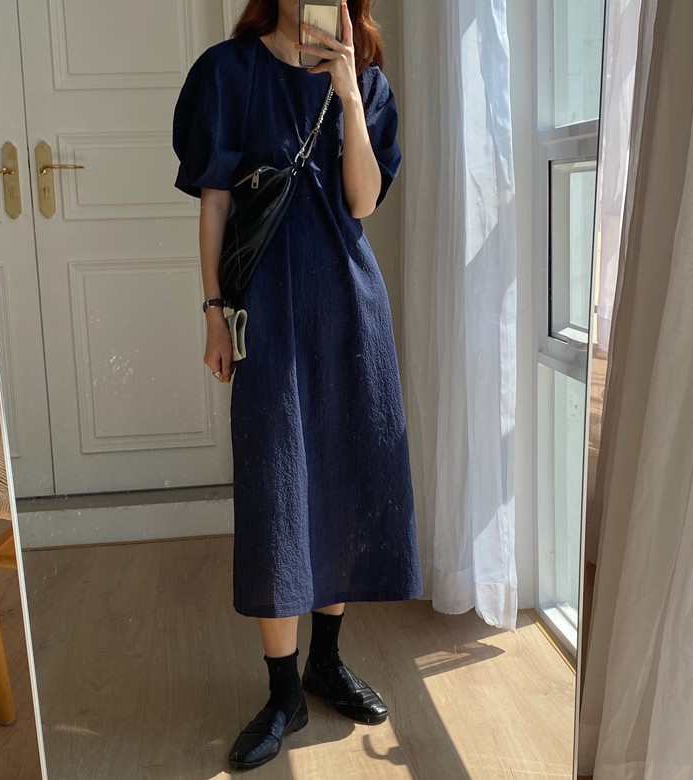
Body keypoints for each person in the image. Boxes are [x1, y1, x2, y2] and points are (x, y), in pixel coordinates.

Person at [172, 0, 422, 770]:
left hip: (349, 309)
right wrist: (214, 314)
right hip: (268, 312)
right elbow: (216, 202)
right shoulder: (228, 72)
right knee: (276, 491)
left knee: (340, 480)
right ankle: (284, 692)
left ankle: (326, 661)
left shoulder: (366, 84)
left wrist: (347, 95)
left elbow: (362, 201)